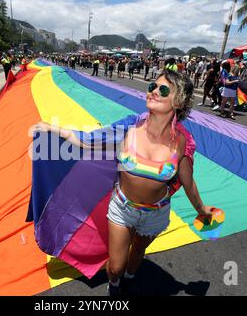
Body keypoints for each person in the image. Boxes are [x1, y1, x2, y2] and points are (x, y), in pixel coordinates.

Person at [32, 70, 215, 296]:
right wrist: (52, 128)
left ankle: (129, 278)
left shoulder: (182, 142)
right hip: (122, 208)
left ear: (178, 101)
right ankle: (115, 284)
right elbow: (90, 141)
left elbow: (188, 183)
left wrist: (202, 210)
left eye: (163, 89)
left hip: (155, 213)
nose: (154, 92)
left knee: (137, 251)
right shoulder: (130, 127)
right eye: (152, 87)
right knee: (115, 266)